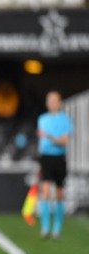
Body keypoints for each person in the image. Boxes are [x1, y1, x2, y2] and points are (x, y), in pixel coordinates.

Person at [37, 90, 73, 239]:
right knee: (45, 192)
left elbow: (64, 141)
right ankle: (45, 228)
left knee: (59, 193)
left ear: (59, 102)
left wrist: (50, 137)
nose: (51, 103)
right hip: (46, 157)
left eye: (54, 100)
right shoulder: (42, 119)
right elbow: (42, 142)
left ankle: (57, 228)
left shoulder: (65, 120)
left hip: (59, 158)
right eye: (49, 100)